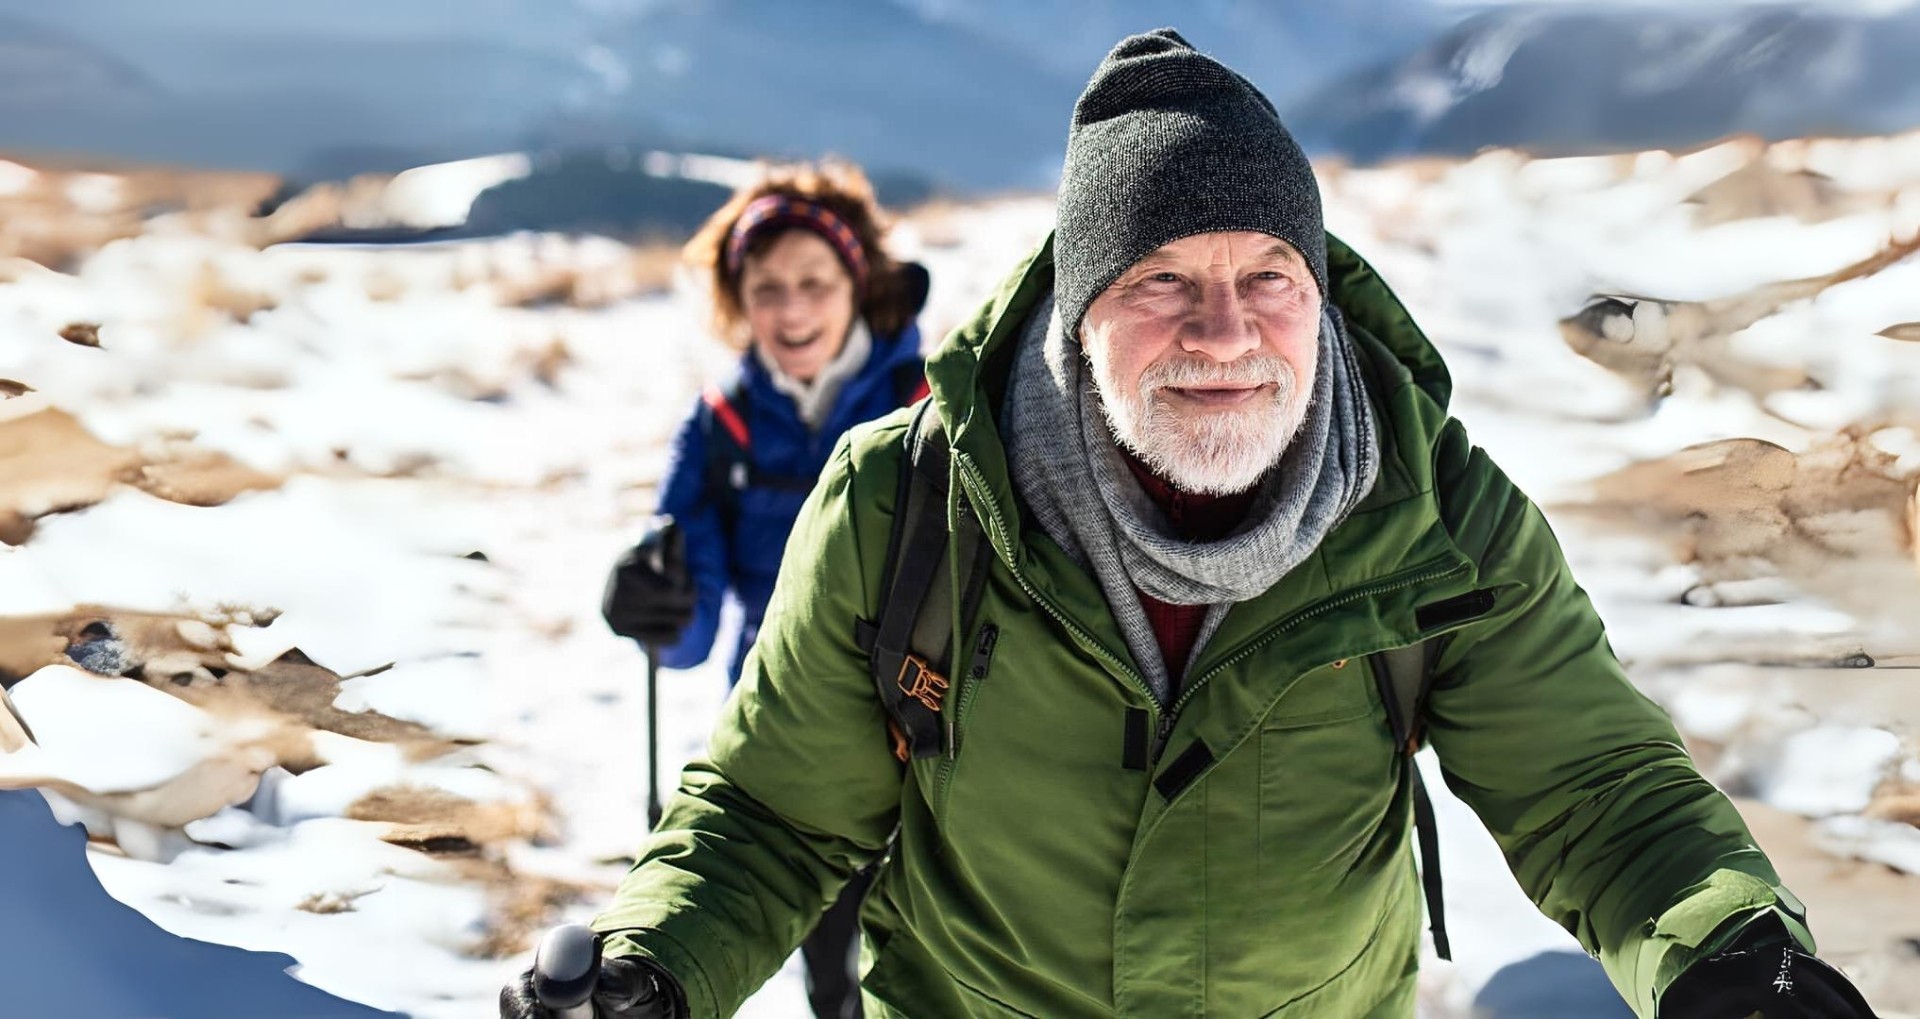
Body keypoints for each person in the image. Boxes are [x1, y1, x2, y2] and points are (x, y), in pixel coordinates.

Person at [506, 30, 1878, 1019]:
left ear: (1321, 291)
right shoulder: (905, 499)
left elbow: (1599, 794)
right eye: (1162, 278)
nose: (1226, 332)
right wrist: (652, 962)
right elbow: (771, 813)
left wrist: (1728, 955)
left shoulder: (1433, 510)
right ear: (1076, 309)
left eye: (1269, 274)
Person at [596, 160, 929, 1019]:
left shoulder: (931, 403)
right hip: (792, 732)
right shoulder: (720, 428)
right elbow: (695, 630)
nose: (791, 309)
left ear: (859, 283)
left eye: (813, 282)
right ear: (736, 296)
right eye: (766, 286)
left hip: (938, 731)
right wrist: (653, 608)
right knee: (834, 981)